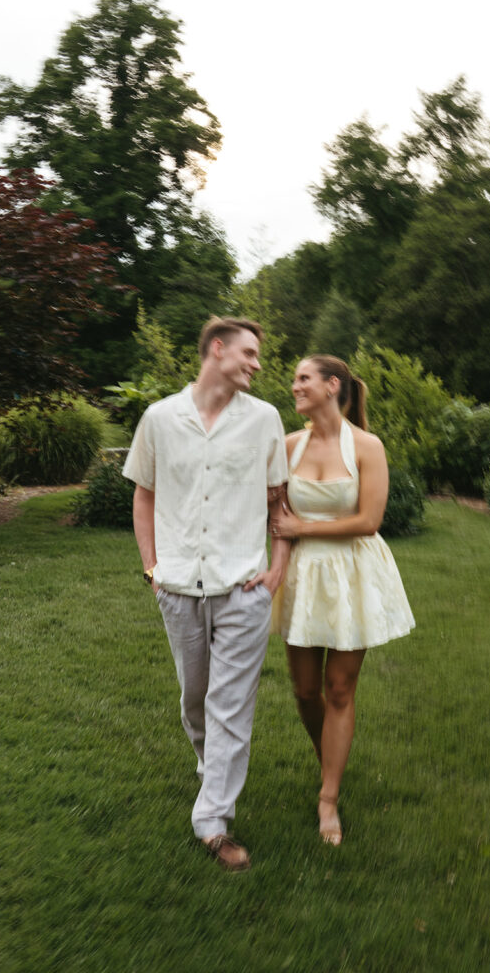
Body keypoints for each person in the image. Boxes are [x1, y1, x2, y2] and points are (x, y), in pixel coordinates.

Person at [123, 316, 289, 872]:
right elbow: (144, 497)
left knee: (230, 706)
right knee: (195, 697)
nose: (257, 364)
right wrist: (152, 567)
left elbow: (278, 503)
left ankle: (213, 822)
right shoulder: (159, 419)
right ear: (216, 350)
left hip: (243, 587)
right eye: (248, 353)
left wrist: (277, 569)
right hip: (177, 586)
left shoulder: (264, 420)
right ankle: (209, 764)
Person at [270, 354, 414, 845]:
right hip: (303, 578)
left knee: (338, 689)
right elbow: (275, 517)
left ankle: (327, 797)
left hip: (354, 573)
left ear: (333, 385)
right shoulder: (288, 446)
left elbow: (370, 520)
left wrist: (301, 526)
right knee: (305, 690)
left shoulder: (368, 447)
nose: (294, 386)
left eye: (303, 378)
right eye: (295, 379)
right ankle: (330, 757)